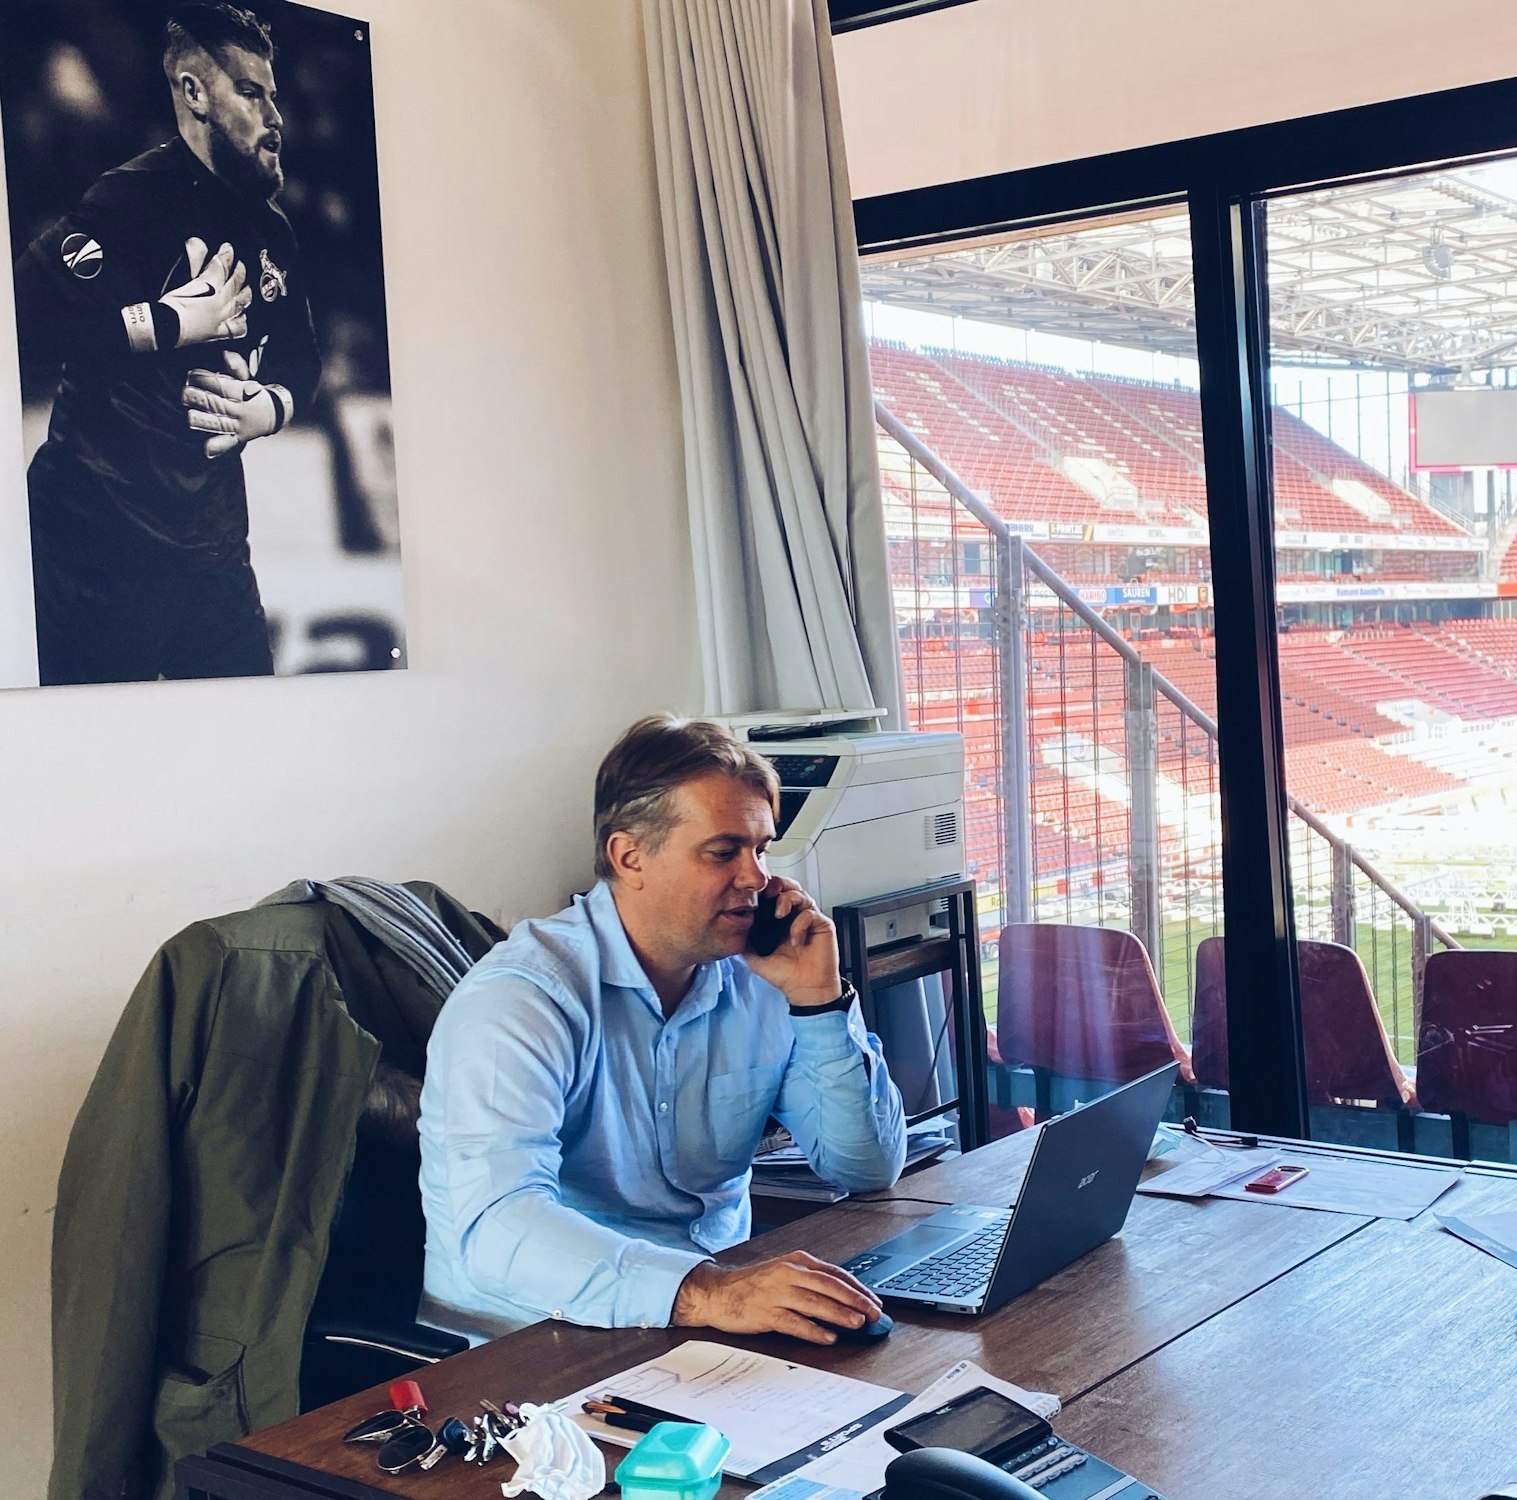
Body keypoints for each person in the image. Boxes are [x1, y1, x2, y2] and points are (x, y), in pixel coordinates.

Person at [419, 717, 908, 1343]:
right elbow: (496, 1226)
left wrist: (818, 1004)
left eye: (761, 849)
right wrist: (704, 1292)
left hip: (708, 1316)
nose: (757, 878)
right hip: (533, 1336)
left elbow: (865, 1168)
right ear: (630, 857)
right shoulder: (520, 1000)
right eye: (724, 851)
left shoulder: (762, 973)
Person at [12, 2, 321, 685]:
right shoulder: (129, 201)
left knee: (244, 747)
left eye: (274, 96)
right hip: (95, 549)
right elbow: (23, 319)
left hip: (212, 558)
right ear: (194, 94)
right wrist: (167, 322)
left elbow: (304, 358)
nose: (276, 118)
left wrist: (267, 408)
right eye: (250, 92)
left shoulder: (274, 234)